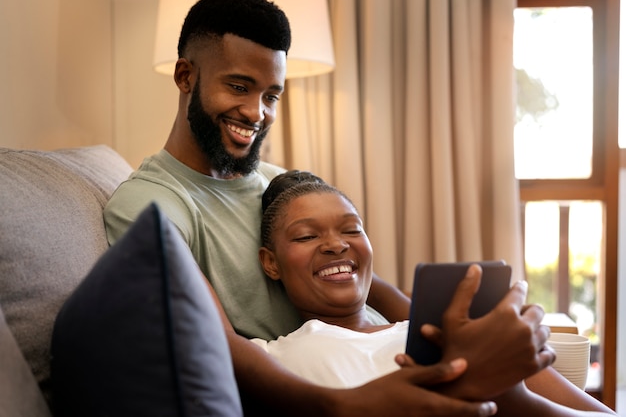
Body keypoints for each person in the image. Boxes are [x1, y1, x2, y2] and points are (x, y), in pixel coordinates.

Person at [104, 0, 555, 415]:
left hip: (386, 350)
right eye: (239, 87)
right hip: (335, 380)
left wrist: (432, 331)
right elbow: (215, 341)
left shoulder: (274, 180)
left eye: (271, 95)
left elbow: (371, 284)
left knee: (516, 347)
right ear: (186, 76)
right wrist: (346, 406)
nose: (256, 112)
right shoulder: (152, 204)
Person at [254, 170, 616, 416]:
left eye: (352, 231)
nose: (336, 245)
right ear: (270, 263)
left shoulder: (451, 333)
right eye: (306, 236)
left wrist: (513, 396)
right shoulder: (269, 359)